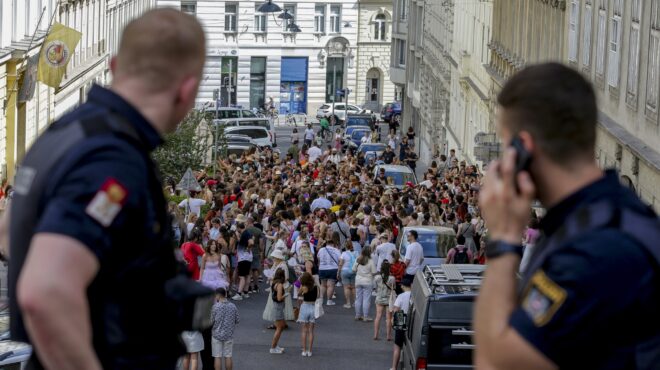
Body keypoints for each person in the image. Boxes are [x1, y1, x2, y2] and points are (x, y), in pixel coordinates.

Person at [4, 9, 208, 369]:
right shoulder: (112, 159)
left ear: (114, 66)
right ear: (187, 89)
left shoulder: (66, 133)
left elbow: (7, 232)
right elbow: (45, 291)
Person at [474, 63, 660, 370]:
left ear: (524, 148)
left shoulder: (594, 250)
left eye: (507, 146)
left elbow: (493, 362)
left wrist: (503, 238)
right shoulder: (610, 216)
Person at [211, 287, 239, 370]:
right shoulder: (233, 306)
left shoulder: (215, 307)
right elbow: (237, 320)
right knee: (228, 356)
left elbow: (211, 321)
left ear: (217, 296)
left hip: (216, 334)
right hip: (229, 334)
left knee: (217, 356)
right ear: (225, 294)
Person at [391, 277, 413, 370]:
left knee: (397, 345)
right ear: (411, 285)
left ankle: (394, 367)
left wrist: (393, 320)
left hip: (400, 318)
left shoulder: (401, 296)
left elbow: (396, 310)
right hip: (412, 319)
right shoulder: (415, 295)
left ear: (403, 286)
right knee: (409, 345)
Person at [296, 272, 319, 357]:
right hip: (313, 307)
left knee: (304, 330)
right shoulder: (316, 287)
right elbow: (318, 296)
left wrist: (301, 288)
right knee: (311, 331)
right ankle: (310, 351)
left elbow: (298, 294)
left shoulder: (304, 287)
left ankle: (304, 350)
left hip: (305, 306)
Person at [317, 231, 342, 305]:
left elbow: (318, 258)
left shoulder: (321, 250)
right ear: (333, 244)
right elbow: (340, 260)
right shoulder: (336, 250)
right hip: (333, 269)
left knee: (323, 285)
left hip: (322, 268)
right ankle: (329, 301)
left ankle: (321, 299)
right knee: (330, 285)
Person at [353, 246, 377, 322]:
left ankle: (357, 315)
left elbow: (353, 269)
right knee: (366, 299)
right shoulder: (371, 261)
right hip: (367, 281)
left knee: (358, 298)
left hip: (358, 281)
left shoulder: (358, 259)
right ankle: (365, 316)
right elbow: (374, 272)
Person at [374, 260, 395, 341]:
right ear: (389, 268)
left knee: (378, 316)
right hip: (389, 299)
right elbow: (394, 288)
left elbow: (375, 288)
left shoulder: (377, 277)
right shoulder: (392, 278)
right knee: (388, 318)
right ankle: (388, 336)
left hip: (379, 298)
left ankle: (376, 334)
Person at [269, 268, 288, 354]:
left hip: (277, 307)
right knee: (279, 328)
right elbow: (279, 298)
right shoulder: (279, 285)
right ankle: (273, 347)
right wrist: (286, 294)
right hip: (278, 307)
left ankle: (275, 345)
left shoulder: (274, 283)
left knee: (281, 327)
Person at [338, 240, 357, 308]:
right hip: (353, 271)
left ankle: (348, 303)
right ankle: (355, 302)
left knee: (346, 287)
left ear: (345, 246)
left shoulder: (343, 254)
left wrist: (338, 272)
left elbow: (340, 264)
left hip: (345, 271)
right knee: (353, 287)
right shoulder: (356, 253)